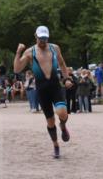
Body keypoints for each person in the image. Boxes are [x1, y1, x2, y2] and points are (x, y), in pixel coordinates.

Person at [14, 25, 74, 159]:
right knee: (50, 121)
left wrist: (67, 79)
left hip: (55, 86)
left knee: (62, 113)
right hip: (42, 90)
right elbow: (17, 69)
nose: (43, 41)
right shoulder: (30, 52)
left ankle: (63, 126)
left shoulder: (55, 48)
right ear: (35, 36)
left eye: (45, 38)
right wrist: (18, 53)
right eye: (40, 38)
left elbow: (62, 64)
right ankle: (56, 145)